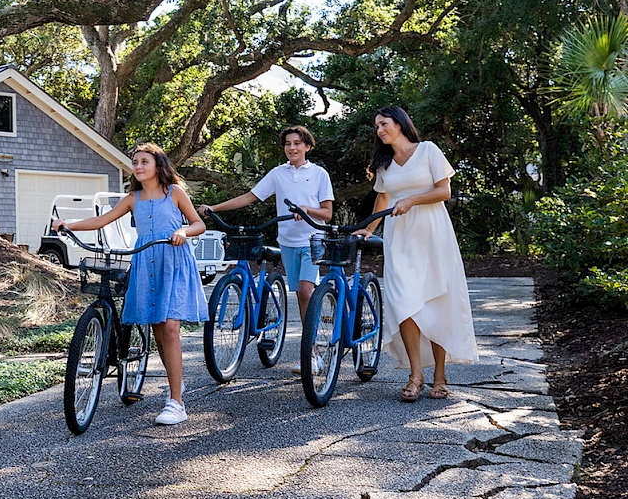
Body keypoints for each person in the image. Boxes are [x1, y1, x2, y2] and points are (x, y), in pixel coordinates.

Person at [52, 143, 208, 425]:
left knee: (170, 328)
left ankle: (176, 403)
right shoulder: (133, 198)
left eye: (144, 161)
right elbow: (103, 220)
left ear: (158, 165)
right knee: (159, 330)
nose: (137, 166)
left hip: (173, 262)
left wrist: (183, 230)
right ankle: (176, 381)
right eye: (135, 162)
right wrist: (69, 225)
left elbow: (199, 224)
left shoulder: (175, 193)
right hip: (145, 263)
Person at [355, 106, 478, 402]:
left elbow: (444, 191)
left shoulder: (428, 151)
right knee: (403, 304)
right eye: (377, 126)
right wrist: (369, 229)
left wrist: (412, 199)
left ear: (400, 123)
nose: (379, 130)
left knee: (437, 303)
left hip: (433, 236)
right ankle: (415, 375)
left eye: (383, 124)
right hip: (399, 240)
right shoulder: (384, 163)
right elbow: (383, 198)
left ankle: (439, 376)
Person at [197, 125, 334, 374]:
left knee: (305, 292)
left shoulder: (319, 174)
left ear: (307, 147)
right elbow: (251, 196)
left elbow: (327, 212)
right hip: (288, 241)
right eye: (288, 144)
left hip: (313, 239)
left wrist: (306, 210)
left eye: (297, 143)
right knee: (300, 294)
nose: (292, 148)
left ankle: (312, 354)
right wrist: (215, 208)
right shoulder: (278, 173)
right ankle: (308, 348)